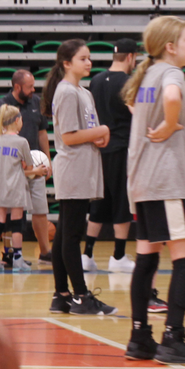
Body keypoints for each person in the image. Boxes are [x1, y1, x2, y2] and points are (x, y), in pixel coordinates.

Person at [121, 16, 185, 364]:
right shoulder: (171, 74)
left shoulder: (146, 74)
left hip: (143, 180)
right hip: (165, 180)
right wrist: (173, 122)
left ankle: (139, 337)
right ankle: (173, 338)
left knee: (146, 258)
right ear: (170, 46)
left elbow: (134, 109)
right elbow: (174, 96)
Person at [39, 40, 116, 314]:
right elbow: (69, 138)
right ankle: (81, 296)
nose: (89, 63)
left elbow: (86, 131)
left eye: (89, 58)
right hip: (73, 169)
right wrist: (102, 130)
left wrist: (98, 135)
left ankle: (61, 296)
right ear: (66, 63)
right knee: (71, 236)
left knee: (63, 235)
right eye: (83, 58)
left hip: (84, 167)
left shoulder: (82, 91)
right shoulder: (67, 92)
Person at [85, 40, 140, 272]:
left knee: (97, 202)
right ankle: (118, 256)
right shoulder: (130, 82)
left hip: (98, 149)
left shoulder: (95, 80)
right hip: (122, 148)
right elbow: (136, 113)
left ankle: (86, 254)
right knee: (121, 203)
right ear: (131, 57)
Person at [0, 70, 52, 261]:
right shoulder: (0, 106)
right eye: (29, 87)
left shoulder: (36, 102)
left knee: (40, 209)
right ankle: (9, 253)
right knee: (11, 215)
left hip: (34, 166)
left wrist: (48, 160)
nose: (33, 90)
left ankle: (45, 251)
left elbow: (42, 132)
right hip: (11, 173)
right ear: (17, 87)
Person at [0, 104, 43, 272]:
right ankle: (18, 259)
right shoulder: (22, 142)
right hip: (16, 186)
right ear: (17, 120)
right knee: (17, 223)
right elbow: (27, 168)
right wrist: (39, 170)